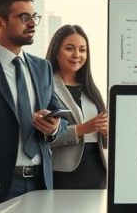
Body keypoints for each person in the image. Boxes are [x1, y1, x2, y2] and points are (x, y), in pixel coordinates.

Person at [0, 0, 68, 204]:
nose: (33, 23)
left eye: (34, 17)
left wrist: (53, 128)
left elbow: (62, 118)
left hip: (41, 181)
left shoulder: (42, 66)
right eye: (24, 17)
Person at [46, 25, 109, 189]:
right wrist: (82, 129)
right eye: (69, 48)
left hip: (96, 171)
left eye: (83, 50)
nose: (77, 55)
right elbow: (42, 138)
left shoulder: (90, 89)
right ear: (56, 51)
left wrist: (106, 131)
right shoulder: (45, 87)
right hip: (63, 174)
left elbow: (104, 138)